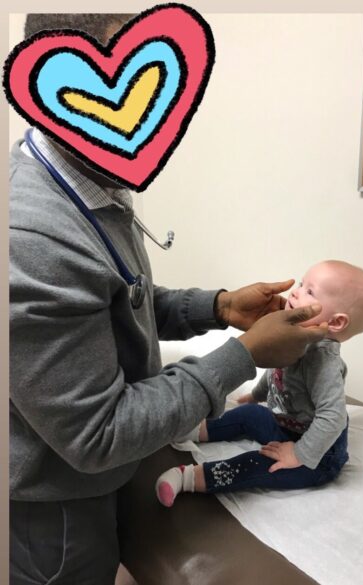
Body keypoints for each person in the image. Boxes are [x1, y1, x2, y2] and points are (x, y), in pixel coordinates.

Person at [8, 13, 331, 585]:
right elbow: (96, 435)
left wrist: (219, 307)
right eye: (122, 91)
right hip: (53, 502)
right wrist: (243, 355)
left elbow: (116, 302)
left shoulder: (93, 181)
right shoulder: (30, 241)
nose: (148, 122)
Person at [154, 260, 363, 504]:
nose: (296, 291)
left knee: (258, 465)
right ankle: (192, 430)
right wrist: (256, 395)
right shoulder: (296, 337)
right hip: (285, 425)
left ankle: (190, 478)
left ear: (336, 322)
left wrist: (298, 453)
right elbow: (277, 371)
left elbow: (333, 417)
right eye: (302, 283)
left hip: (319, 452)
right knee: (249, 414)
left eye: (309, 291)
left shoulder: (323, 362)